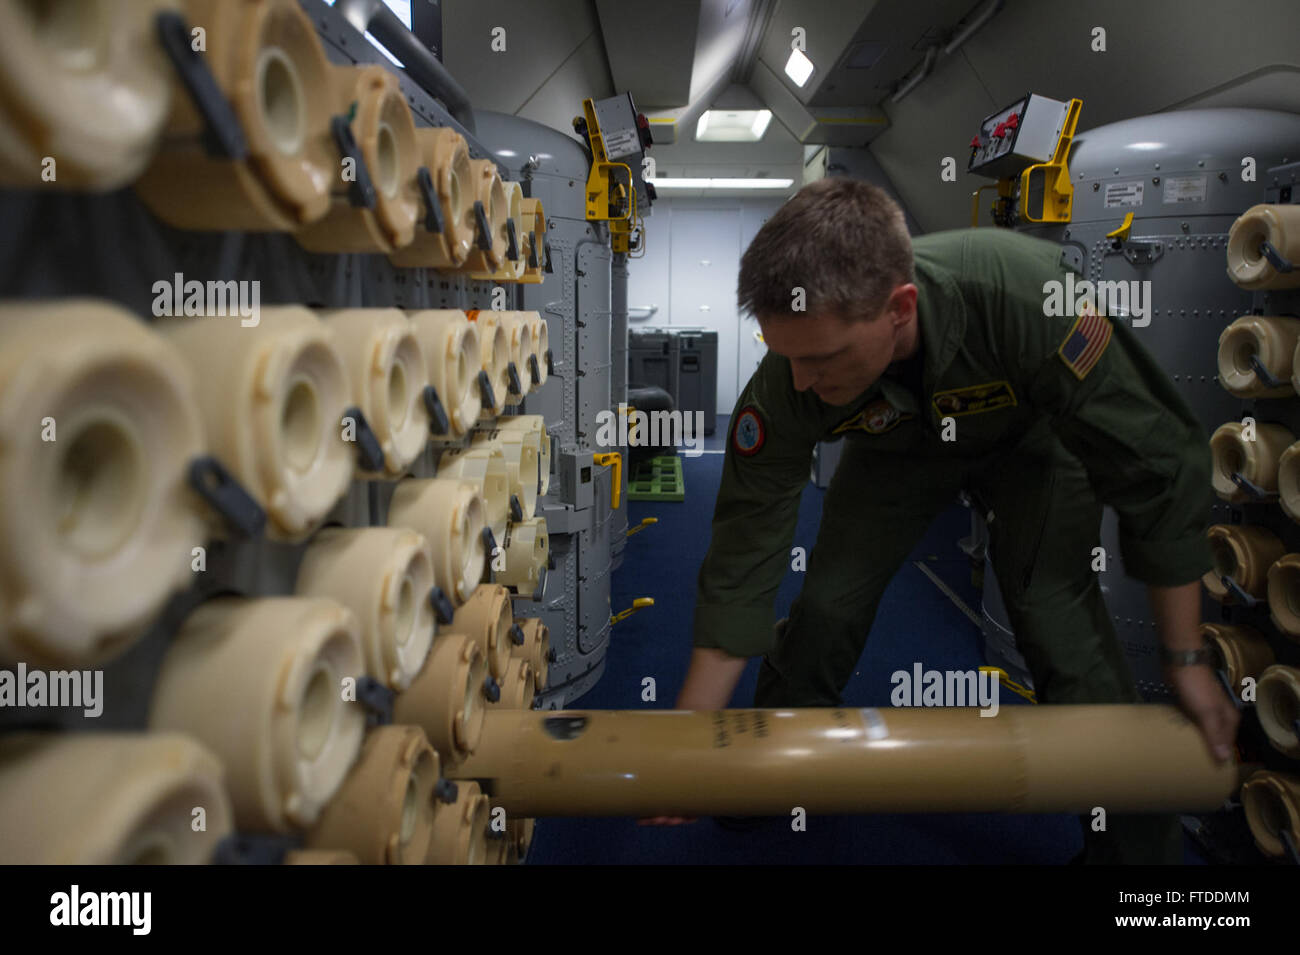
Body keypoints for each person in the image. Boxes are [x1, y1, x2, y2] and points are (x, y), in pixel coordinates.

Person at [659, 177, 1239, 864]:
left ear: (899, 308)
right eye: (785, 356)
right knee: (827, 607)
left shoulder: (1026, 298)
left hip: (1032, 446)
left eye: (821, 359)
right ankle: (772, 768)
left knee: (1058, 623)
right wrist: (691, 739)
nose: (801, 382)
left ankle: (1133, 852)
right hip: (897, 449)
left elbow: (1160, 463)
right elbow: (745, 545)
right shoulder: (791, 377)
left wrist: (1184, 659)